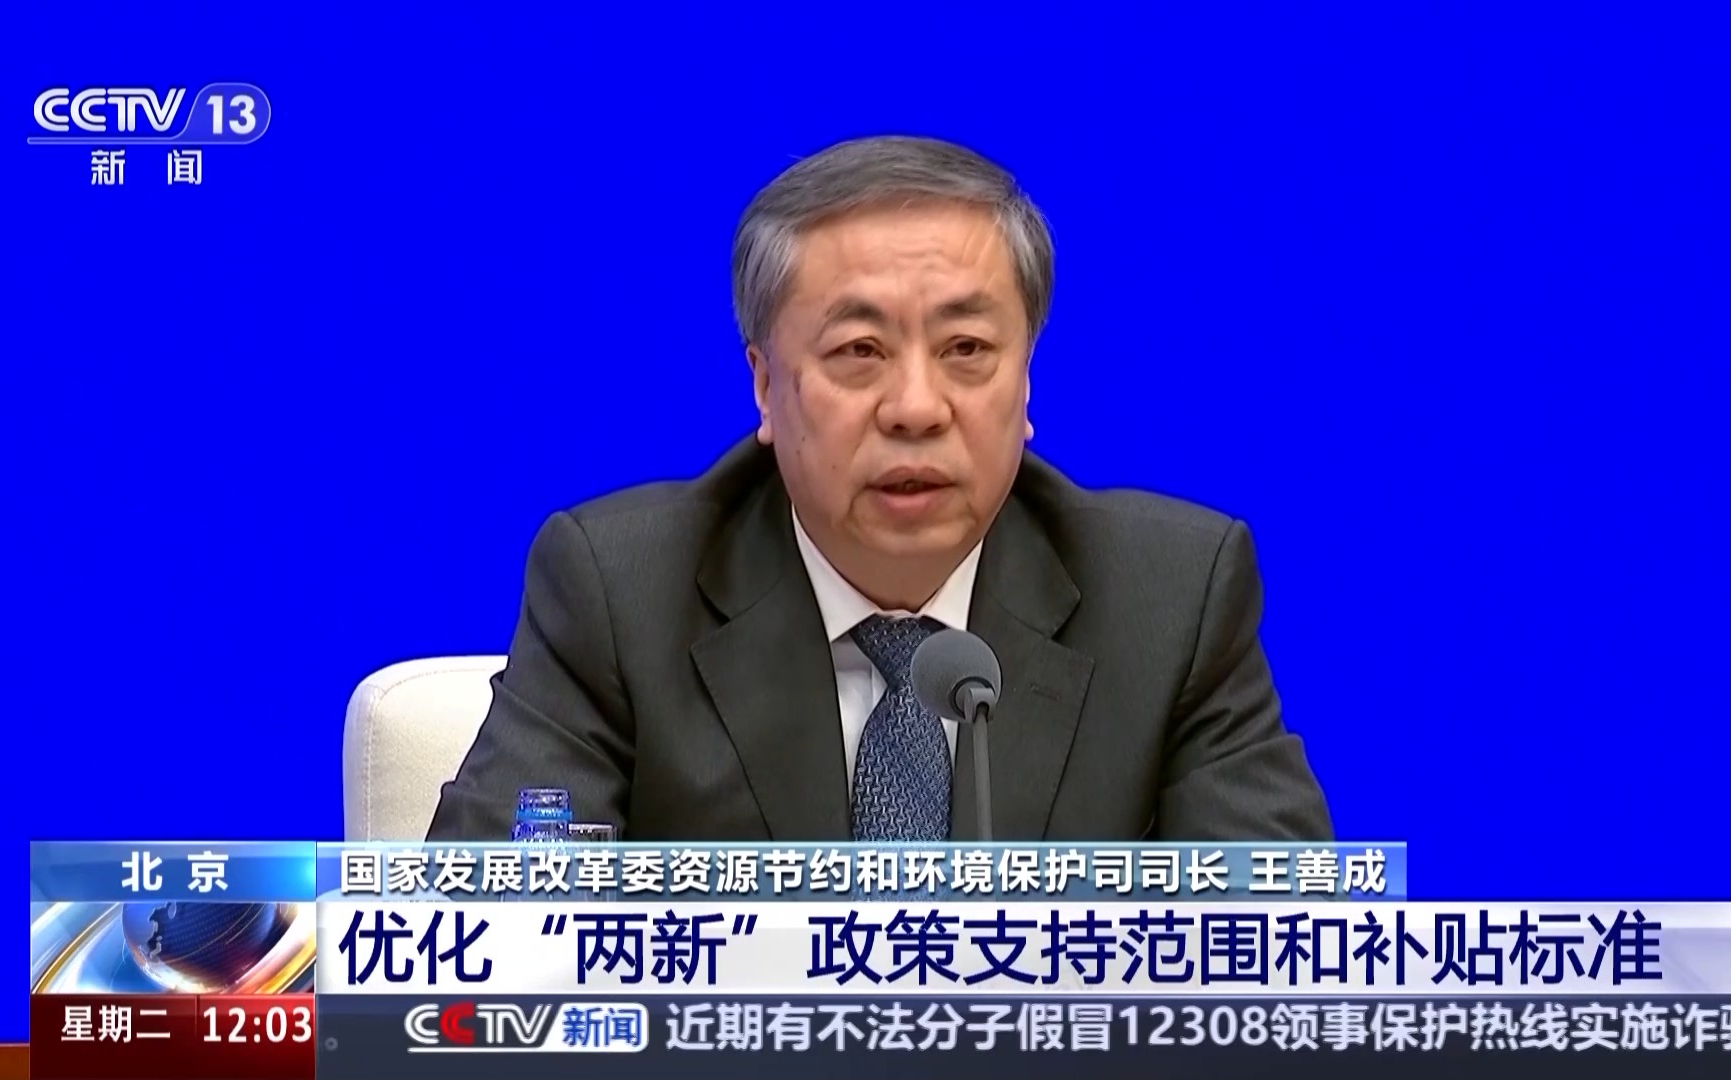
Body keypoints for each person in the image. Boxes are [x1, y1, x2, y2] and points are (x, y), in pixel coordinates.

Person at [428, 135, 1331, 843]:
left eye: (967, 350)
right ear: (765, 386)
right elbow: (485, 947)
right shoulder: (622, 591)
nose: (916, 408)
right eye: (859, 351)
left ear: (1026, 382)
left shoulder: (1170, 597)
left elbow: (1286, 957)